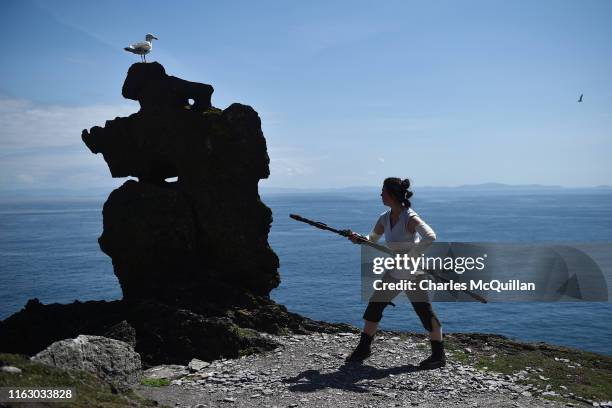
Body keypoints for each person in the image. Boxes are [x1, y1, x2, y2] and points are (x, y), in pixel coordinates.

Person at [345, 177, 445, 369]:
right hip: (394, 272)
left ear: (391, 195)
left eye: (383, 191)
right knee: (374, 307)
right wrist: (359, 239)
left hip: (414, 273)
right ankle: (364, 349)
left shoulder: (410, 218)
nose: (380, 194)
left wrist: (410, 255)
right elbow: (372, 238)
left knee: (424, 312)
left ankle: (438, 356)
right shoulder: (385, 217)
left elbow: (430, 236)